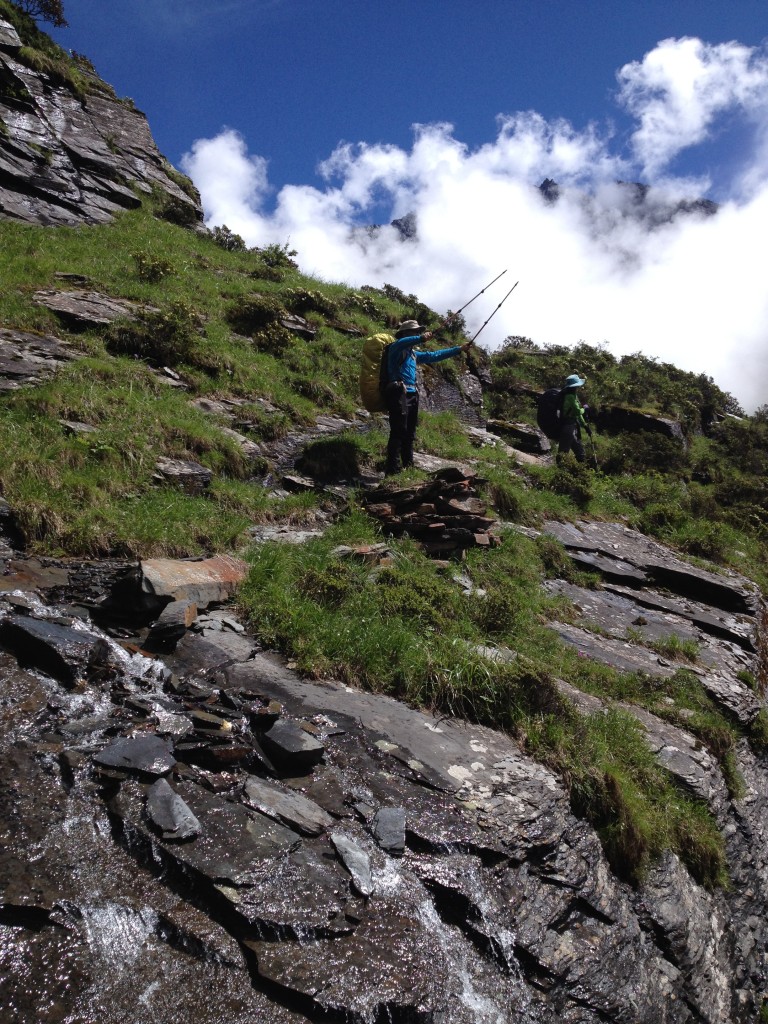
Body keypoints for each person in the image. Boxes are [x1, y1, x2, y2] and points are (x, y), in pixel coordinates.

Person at [383, 320, 470, 474]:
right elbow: (404, 341)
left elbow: (434, 355)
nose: (416, 334)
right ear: (404, 333)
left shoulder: (413, 354)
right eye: (414, 332)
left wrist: (458, 349)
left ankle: (408, 467)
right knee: (398, 431)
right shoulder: (396, 347)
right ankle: (392, 470)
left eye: (417, 332)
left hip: (412, 395)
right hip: (397, 392)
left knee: (409, 433)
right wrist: (421, 338)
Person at [558, 373, 592, 463]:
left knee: (580, 451)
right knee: (563, 453)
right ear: (574, 387)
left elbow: (577, 414)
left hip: (572, 426)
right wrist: (584, 409)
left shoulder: (573, 396)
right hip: (567, 426)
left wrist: (585, 425)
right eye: (577, 386)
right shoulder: (570, 397)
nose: (578, 388)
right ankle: (559, 472)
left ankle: (580, 470)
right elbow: (578, 412)